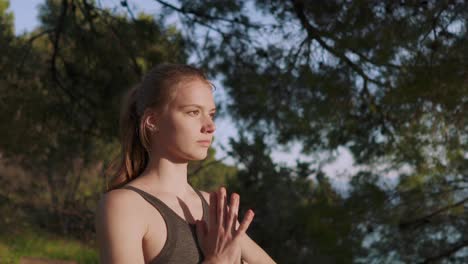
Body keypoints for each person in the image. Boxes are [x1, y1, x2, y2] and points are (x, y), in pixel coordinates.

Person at [95, 63, 276, 263]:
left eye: (211, 114)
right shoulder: (125, 205)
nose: (210, 126)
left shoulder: (213, 206)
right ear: (152, 120)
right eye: (193, 112)